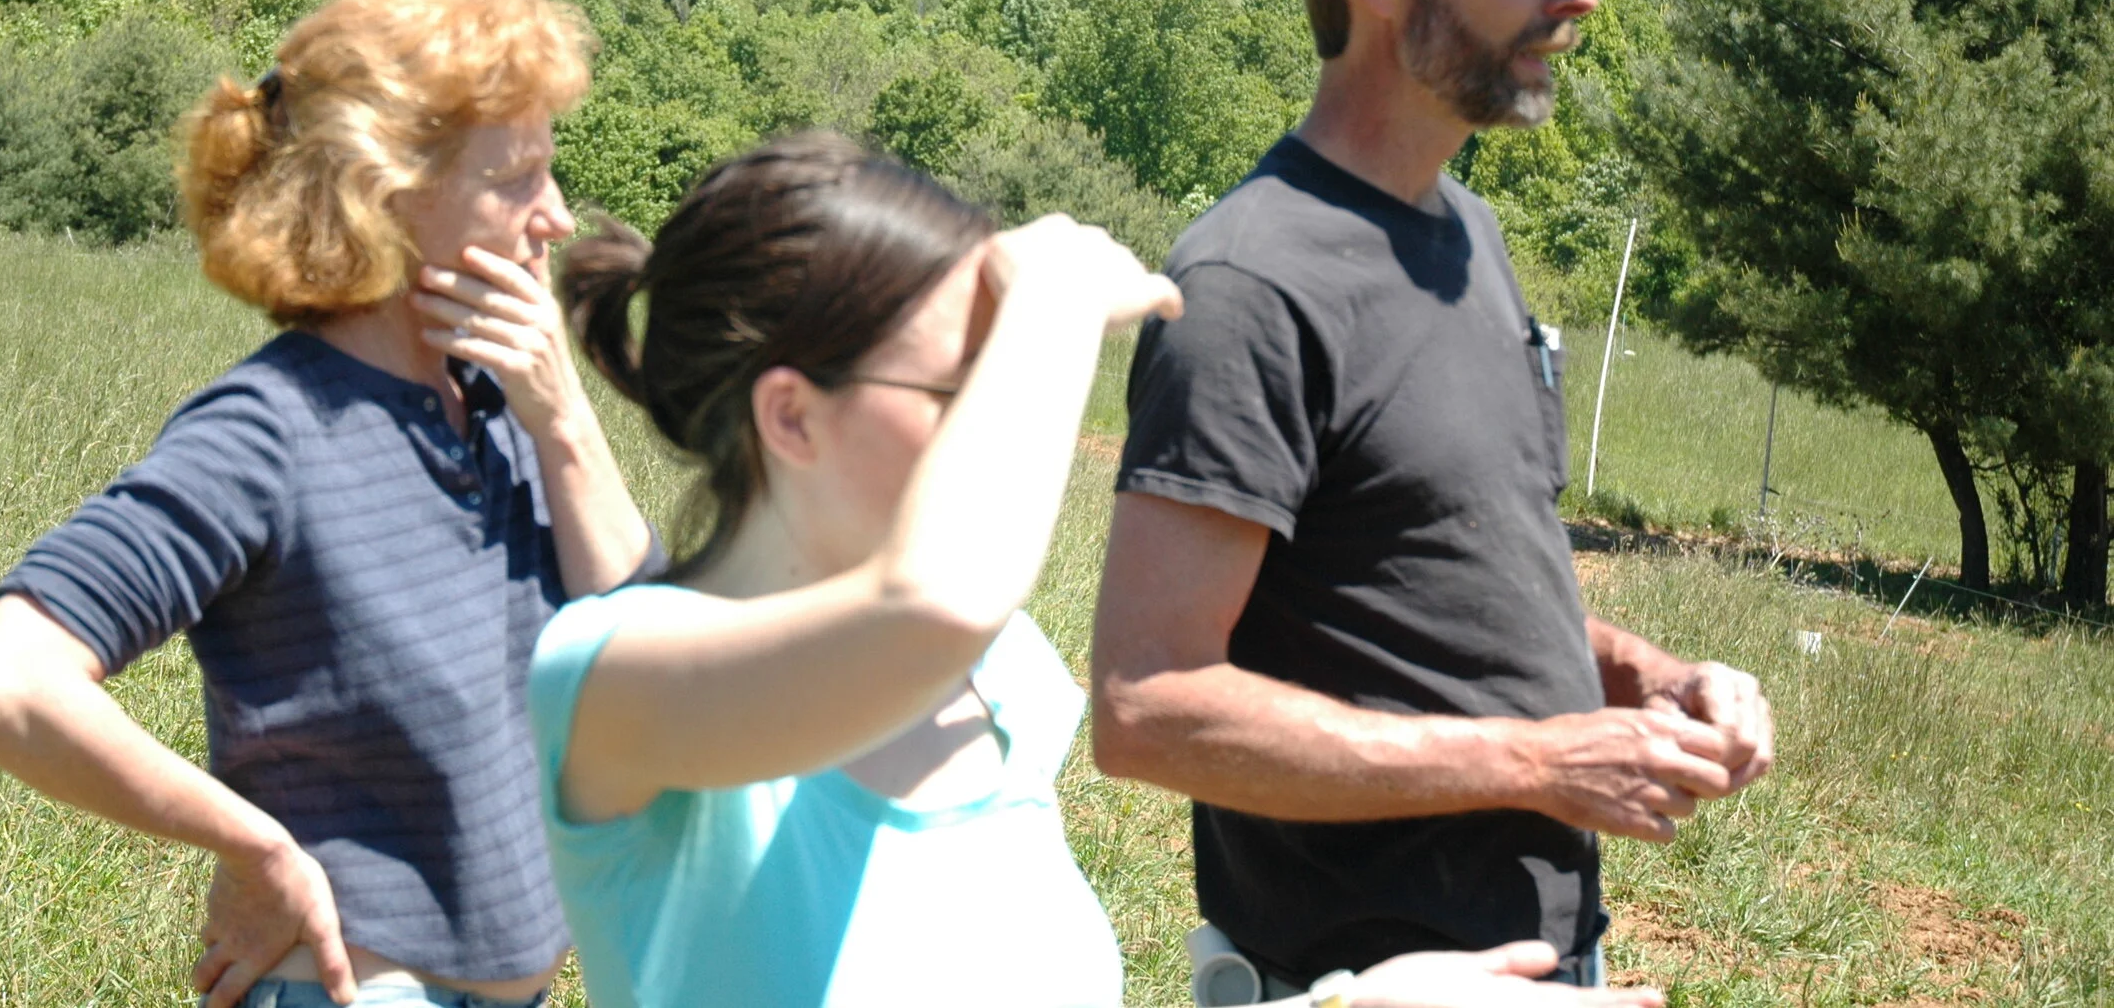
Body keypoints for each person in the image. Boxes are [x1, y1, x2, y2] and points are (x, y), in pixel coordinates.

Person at [524, 132, 1664, 1008]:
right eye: (965, 385)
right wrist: (1051, 303)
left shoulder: (998, 680)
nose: (998, 420)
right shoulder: (613, 677)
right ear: (792, 418)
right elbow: (933, 602)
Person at [1089, 0, 1776, 1001]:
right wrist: (1534, 762)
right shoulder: (1250, 285)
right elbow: (1144, 707)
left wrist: (1646, 676)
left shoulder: (1470, 236)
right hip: (1356, 982)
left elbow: (1441, 585)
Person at [0, 0, 658, 1008]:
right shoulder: (266, 432)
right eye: (515, 178)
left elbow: (642, 651)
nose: (553, 216)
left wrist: (563, 418)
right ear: (384, 195)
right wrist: (257, 848)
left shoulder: (498, 398)